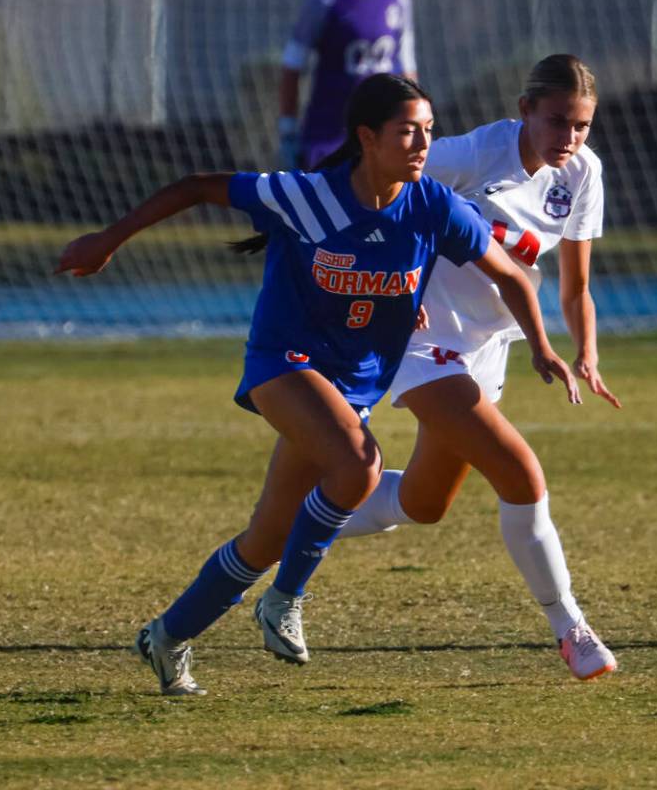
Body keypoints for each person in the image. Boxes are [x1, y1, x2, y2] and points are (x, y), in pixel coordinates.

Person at [55, 73, 578, 696]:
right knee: (360, 466)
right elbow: (196, 186)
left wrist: (543, 348)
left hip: (351, 384)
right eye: (407, 131)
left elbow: (513, 278)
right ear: (366, 137)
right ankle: (284, 602)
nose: (421, 144)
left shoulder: (433, 205)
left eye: (428, 131)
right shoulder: (306, 196)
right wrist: (107, 240)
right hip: (284, 362)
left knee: (266, 537)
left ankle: (165, 636)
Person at [250, 54, 622, 682]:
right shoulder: (473, 154)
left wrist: (585, 349)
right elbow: (377, 184)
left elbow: (574, 283)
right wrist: (400, 287)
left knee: (424, 502)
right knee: (520, 472)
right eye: (558, 120)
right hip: (423, 344)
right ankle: (571, 629)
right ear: (525, 109)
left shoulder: (582, 174)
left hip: (485, 349)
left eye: (582, 125)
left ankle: (292, 531)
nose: (570, 136)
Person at [278, 0, 416, 170]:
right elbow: (292, 65)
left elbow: (406, 67)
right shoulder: (324, 1)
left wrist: (413, 124)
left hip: (380, 137)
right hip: (327, 137)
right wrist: (288, 129)